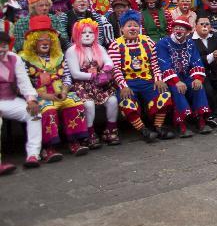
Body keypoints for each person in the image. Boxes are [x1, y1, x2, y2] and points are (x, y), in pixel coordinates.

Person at [20, 14, 90, 158]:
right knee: (48, 110)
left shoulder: (59, 56)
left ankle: (74, 141)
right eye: (40, 39)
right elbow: (24, 84)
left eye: (48, 39)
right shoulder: (24, 59)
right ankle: (48, 147)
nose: (45, 42)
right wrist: (45, 95)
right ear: (33, 41)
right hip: (39, 96)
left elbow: (67, 76)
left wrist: (64, 91)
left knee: (75, 103)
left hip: (60, 93)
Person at [109, 10, 174, 142]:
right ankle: (143, 130)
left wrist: (158, 79)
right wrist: (123, 86)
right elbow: (115, 69)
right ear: (122, 28)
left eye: (135, 25)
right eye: (129, 25)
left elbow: (155, 63)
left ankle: (158, 127)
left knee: (164, 94)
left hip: (147, 81)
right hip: (128, 83)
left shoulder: (148, 41)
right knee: (127, 102)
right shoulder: (115, 45)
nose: (132, 28)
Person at [65, 18, 118, 148]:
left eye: (90, 32)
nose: (87, 35)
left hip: (100, 85)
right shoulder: (72, 51)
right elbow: (75, 73)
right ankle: (89, 133)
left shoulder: (99, 48)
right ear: (77, 34)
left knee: (112, 101)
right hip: (82, 85)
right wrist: (94, 76)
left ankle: (110, 129)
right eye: (83, 33)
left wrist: (106, 69)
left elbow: (109, 62)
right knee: (88, 105)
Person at [155, 16, 211, 136]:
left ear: (188, 31)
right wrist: (176, 81)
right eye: (176, 28)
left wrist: (197, 78)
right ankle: (181, 124)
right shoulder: (163, 43)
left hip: (186, 75)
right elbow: (164, 64)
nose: (179, 31)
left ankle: (200, 120)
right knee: (177, 89)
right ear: (172, 29)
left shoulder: (190, 43)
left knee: (198, 86)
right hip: (170, 78)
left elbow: (196, 61)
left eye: (182, 28)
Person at [0, 30, 43, 170]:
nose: (1, 49)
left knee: (34, 113)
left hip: (9, 100)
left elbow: (24, 82)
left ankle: (33, 155)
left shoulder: (14, 58)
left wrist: (31, 99)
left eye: (4, 45)